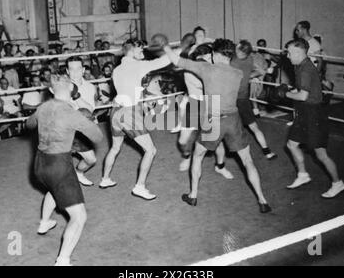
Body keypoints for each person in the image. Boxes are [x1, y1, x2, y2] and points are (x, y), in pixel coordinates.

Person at [164, 39, 271, 213]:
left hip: (214, 119)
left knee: (197, 156)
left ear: (215, 54)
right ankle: (262, 200)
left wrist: (166, 47)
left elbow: (177, 61)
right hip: (233, 119)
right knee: (248, 160)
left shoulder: (208, 69)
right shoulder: (237, 73)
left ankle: (193, 195)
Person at [26, 73, 103, 266]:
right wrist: (87, 121)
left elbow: (28, 124)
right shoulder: (72, 113)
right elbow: (98, 137)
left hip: (39, 164)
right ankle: (63, 260)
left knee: (54, 189)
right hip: (59, 165)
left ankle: (44, 222)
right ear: (71, 89)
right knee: (79, 217)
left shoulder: (43, 107)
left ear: (51, 90)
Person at [99, 38, 171, 200]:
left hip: (115, 111)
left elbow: (128, 87)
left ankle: (105, 179)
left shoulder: (116, 70)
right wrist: (181, 48)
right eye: (140, 50)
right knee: (151, 150)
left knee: (115, 148)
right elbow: (165, 60)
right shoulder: (139, 66)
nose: (142, 53)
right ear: (131, 51)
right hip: (129, 113)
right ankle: (140, 186)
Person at [278, 39, 344, 198]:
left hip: (314, 114)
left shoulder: (306, 70)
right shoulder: (300, 66)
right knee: (291, 144)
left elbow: (302, 95)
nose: (287, 56)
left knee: (321, 154)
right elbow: (302, 90)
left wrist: (284, 94)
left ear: (298, 53)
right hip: (304, 113)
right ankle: (303, 175)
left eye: (289, 52)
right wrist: (289, 89)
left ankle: (338, 183)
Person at [176, 42, 234, 180]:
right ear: (199, 57)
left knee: (218, 141)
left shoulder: (214, 69)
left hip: (211, 105)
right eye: (207, 58)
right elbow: (202, 83)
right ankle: (186, 156)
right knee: (183, 140)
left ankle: (220, 166)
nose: (209, 61)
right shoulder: (190, 71)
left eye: (211, 58)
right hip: (195, 104)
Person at [231, 40, 277, 160]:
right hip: (244, 98)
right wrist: (248, 76)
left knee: (227, 125)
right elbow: (261, 71)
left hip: (232, 98)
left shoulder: (233, 62)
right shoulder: (250, 59)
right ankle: (267, 151)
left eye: (237, 48)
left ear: (240, 50)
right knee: (254, 127)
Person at [66, 56, 99, 187]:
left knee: (91, 160)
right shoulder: (61, 86)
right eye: (71, 69)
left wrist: (75, 95)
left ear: (83, 70)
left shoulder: (90, 87)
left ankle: (79, 173)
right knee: (61, 166)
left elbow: (89, 110)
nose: (75, 72)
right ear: (67, 71)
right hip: (64, 131)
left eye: (78, 69)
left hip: (81, 130)